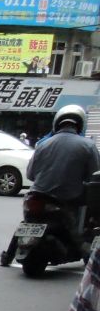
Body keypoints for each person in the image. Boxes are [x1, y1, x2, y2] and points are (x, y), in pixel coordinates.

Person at [26, 104, 100, 255]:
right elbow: (95, 177)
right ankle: (83, 244)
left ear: (57, 123)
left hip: (37, 195)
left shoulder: (42, 144)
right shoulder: (88, 145)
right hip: (68, 198)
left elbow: (30, 174)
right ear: (80, 125)